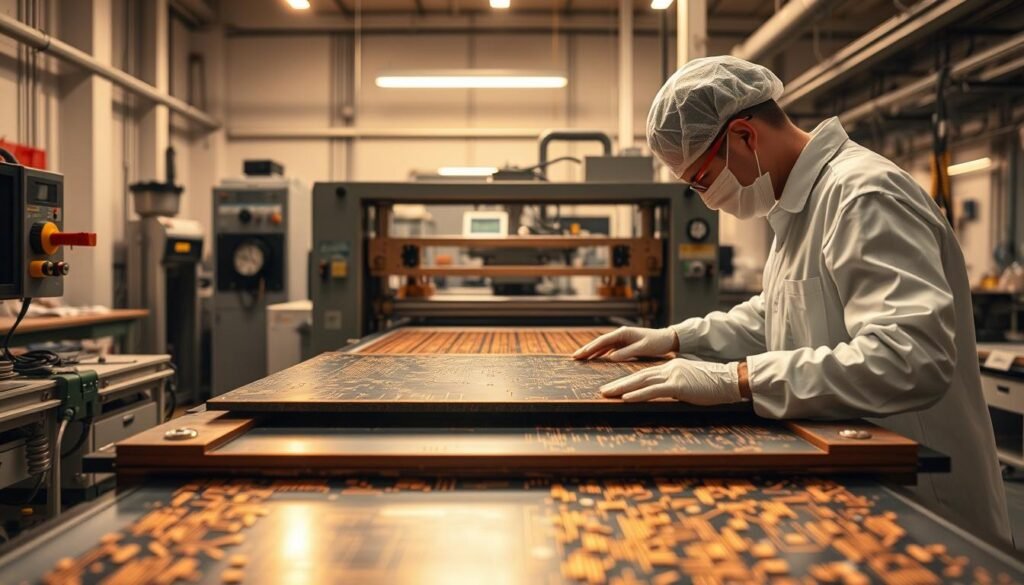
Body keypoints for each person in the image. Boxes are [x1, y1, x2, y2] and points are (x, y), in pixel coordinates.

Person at [573, 56, 1011, 543]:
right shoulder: (797, 207)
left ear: (744, 136)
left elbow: (910, 356)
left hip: (922, 496)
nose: (704, 197)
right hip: (854, 481)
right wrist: (677, 338)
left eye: (700, 179)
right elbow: (775, 314)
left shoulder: (863, 194)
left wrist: (737, 379)